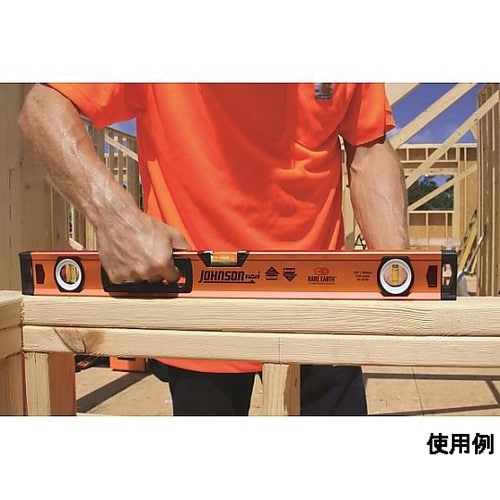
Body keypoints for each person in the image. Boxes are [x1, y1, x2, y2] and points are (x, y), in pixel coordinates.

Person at [18, 83, 409, 416]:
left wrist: (401, 279)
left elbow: (368, 146)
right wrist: (116, 217)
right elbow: (43, 107)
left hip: (319, 305)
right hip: (202, 309)